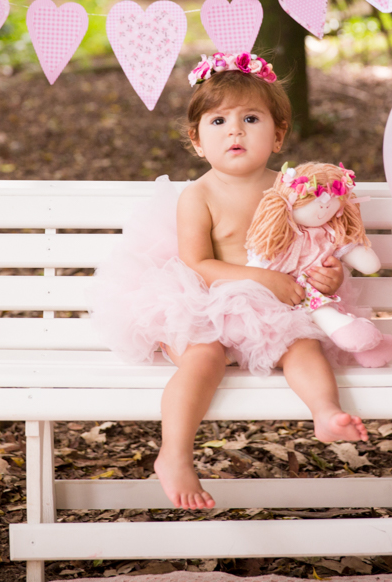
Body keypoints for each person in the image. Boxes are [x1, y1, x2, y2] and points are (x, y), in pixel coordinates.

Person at [87, 51, 370, 511]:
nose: (234, 130)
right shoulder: (197, 196)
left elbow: (315, 247)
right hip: (207, 300)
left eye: (250, 118)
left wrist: (328, 275)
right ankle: (174, 455)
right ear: (197, 141)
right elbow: (197, 261)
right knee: (203, 358)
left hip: (277, 303)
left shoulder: (293, 192)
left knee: (305, 347)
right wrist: (259, 279)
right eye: (218, 121)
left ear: (277, 136)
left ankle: (324, 412)